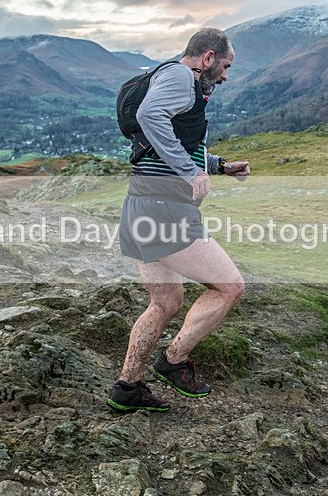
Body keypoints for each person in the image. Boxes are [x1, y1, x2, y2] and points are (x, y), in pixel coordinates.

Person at [107, 28, 251, 412]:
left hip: (141, 204)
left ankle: (127, 387)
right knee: (230, 286)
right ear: (207, 58)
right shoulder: (178, 77)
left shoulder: (174, 82)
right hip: (165, 209)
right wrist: (189, 174)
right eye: (224, 67)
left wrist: (218, 166)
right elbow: (150, 115)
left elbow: (169, 142)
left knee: (164, 302)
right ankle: (172, 361)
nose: (224, 76)